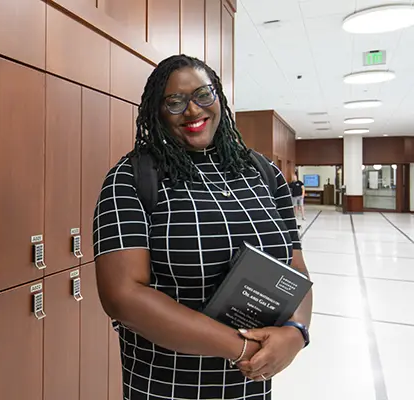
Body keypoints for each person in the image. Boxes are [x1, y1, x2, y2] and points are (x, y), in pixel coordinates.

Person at [92, 54, 313, 400]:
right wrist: (240, 349)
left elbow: (295, 269)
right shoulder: (133, 177)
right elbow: (123, 296)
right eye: (175, 102)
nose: (193, 110)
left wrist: (297, 332)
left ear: (218, 98)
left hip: (250, 388)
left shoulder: (263, 173)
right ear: (157, 112)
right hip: (166, 387)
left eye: (203, 95)